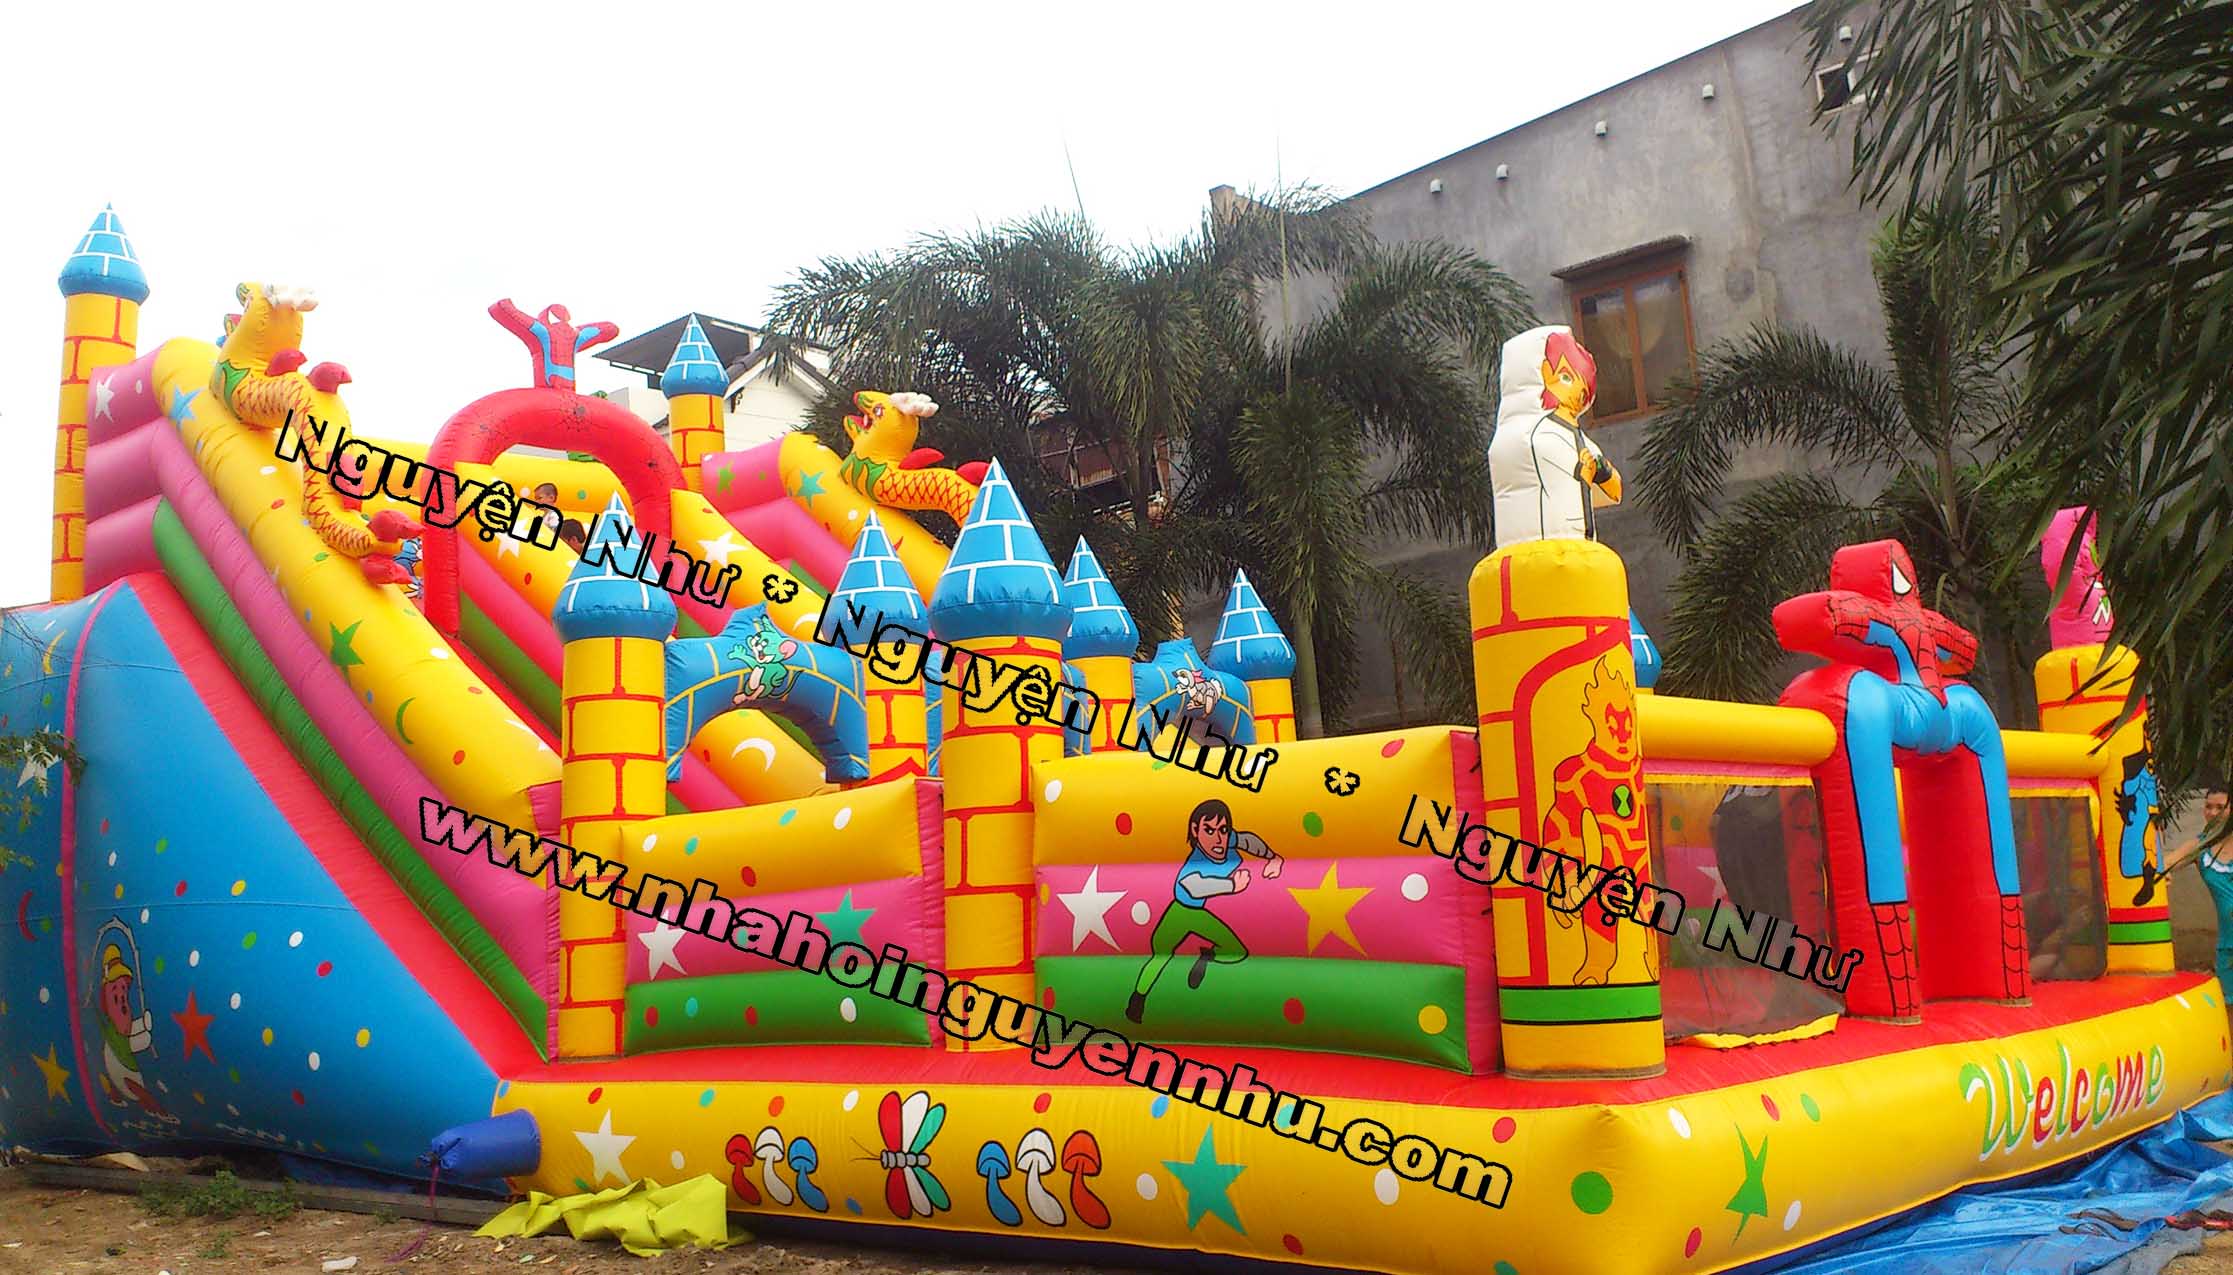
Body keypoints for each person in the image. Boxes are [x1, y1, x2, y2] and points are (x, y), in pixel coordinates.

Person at [1125, 799, 1282, 1023]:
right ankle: (1137, 1000)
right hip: (1179, 912)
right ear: (1195, 831)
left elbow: (1247, 840)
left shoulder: (1227, 840)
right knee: (1161, 954)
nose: (1218, 839)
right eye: (1209, 830)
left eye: (1223, 830)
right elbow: (1195, 886)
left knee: (1237, 951)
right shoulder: (1194, 864)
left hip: (1198, 914)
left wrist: (1272, 857)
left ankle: (1206, 957)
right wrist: (1232, 885)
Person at [2151, 783, 2233, 994]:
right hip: (2228, 947)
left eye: (2220, 807)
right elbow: (2165, 865)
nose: (2212, 813)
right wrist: (2162, 872)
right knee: (2228, 1006)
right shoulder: (2199, 846)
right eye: (2208, 806)